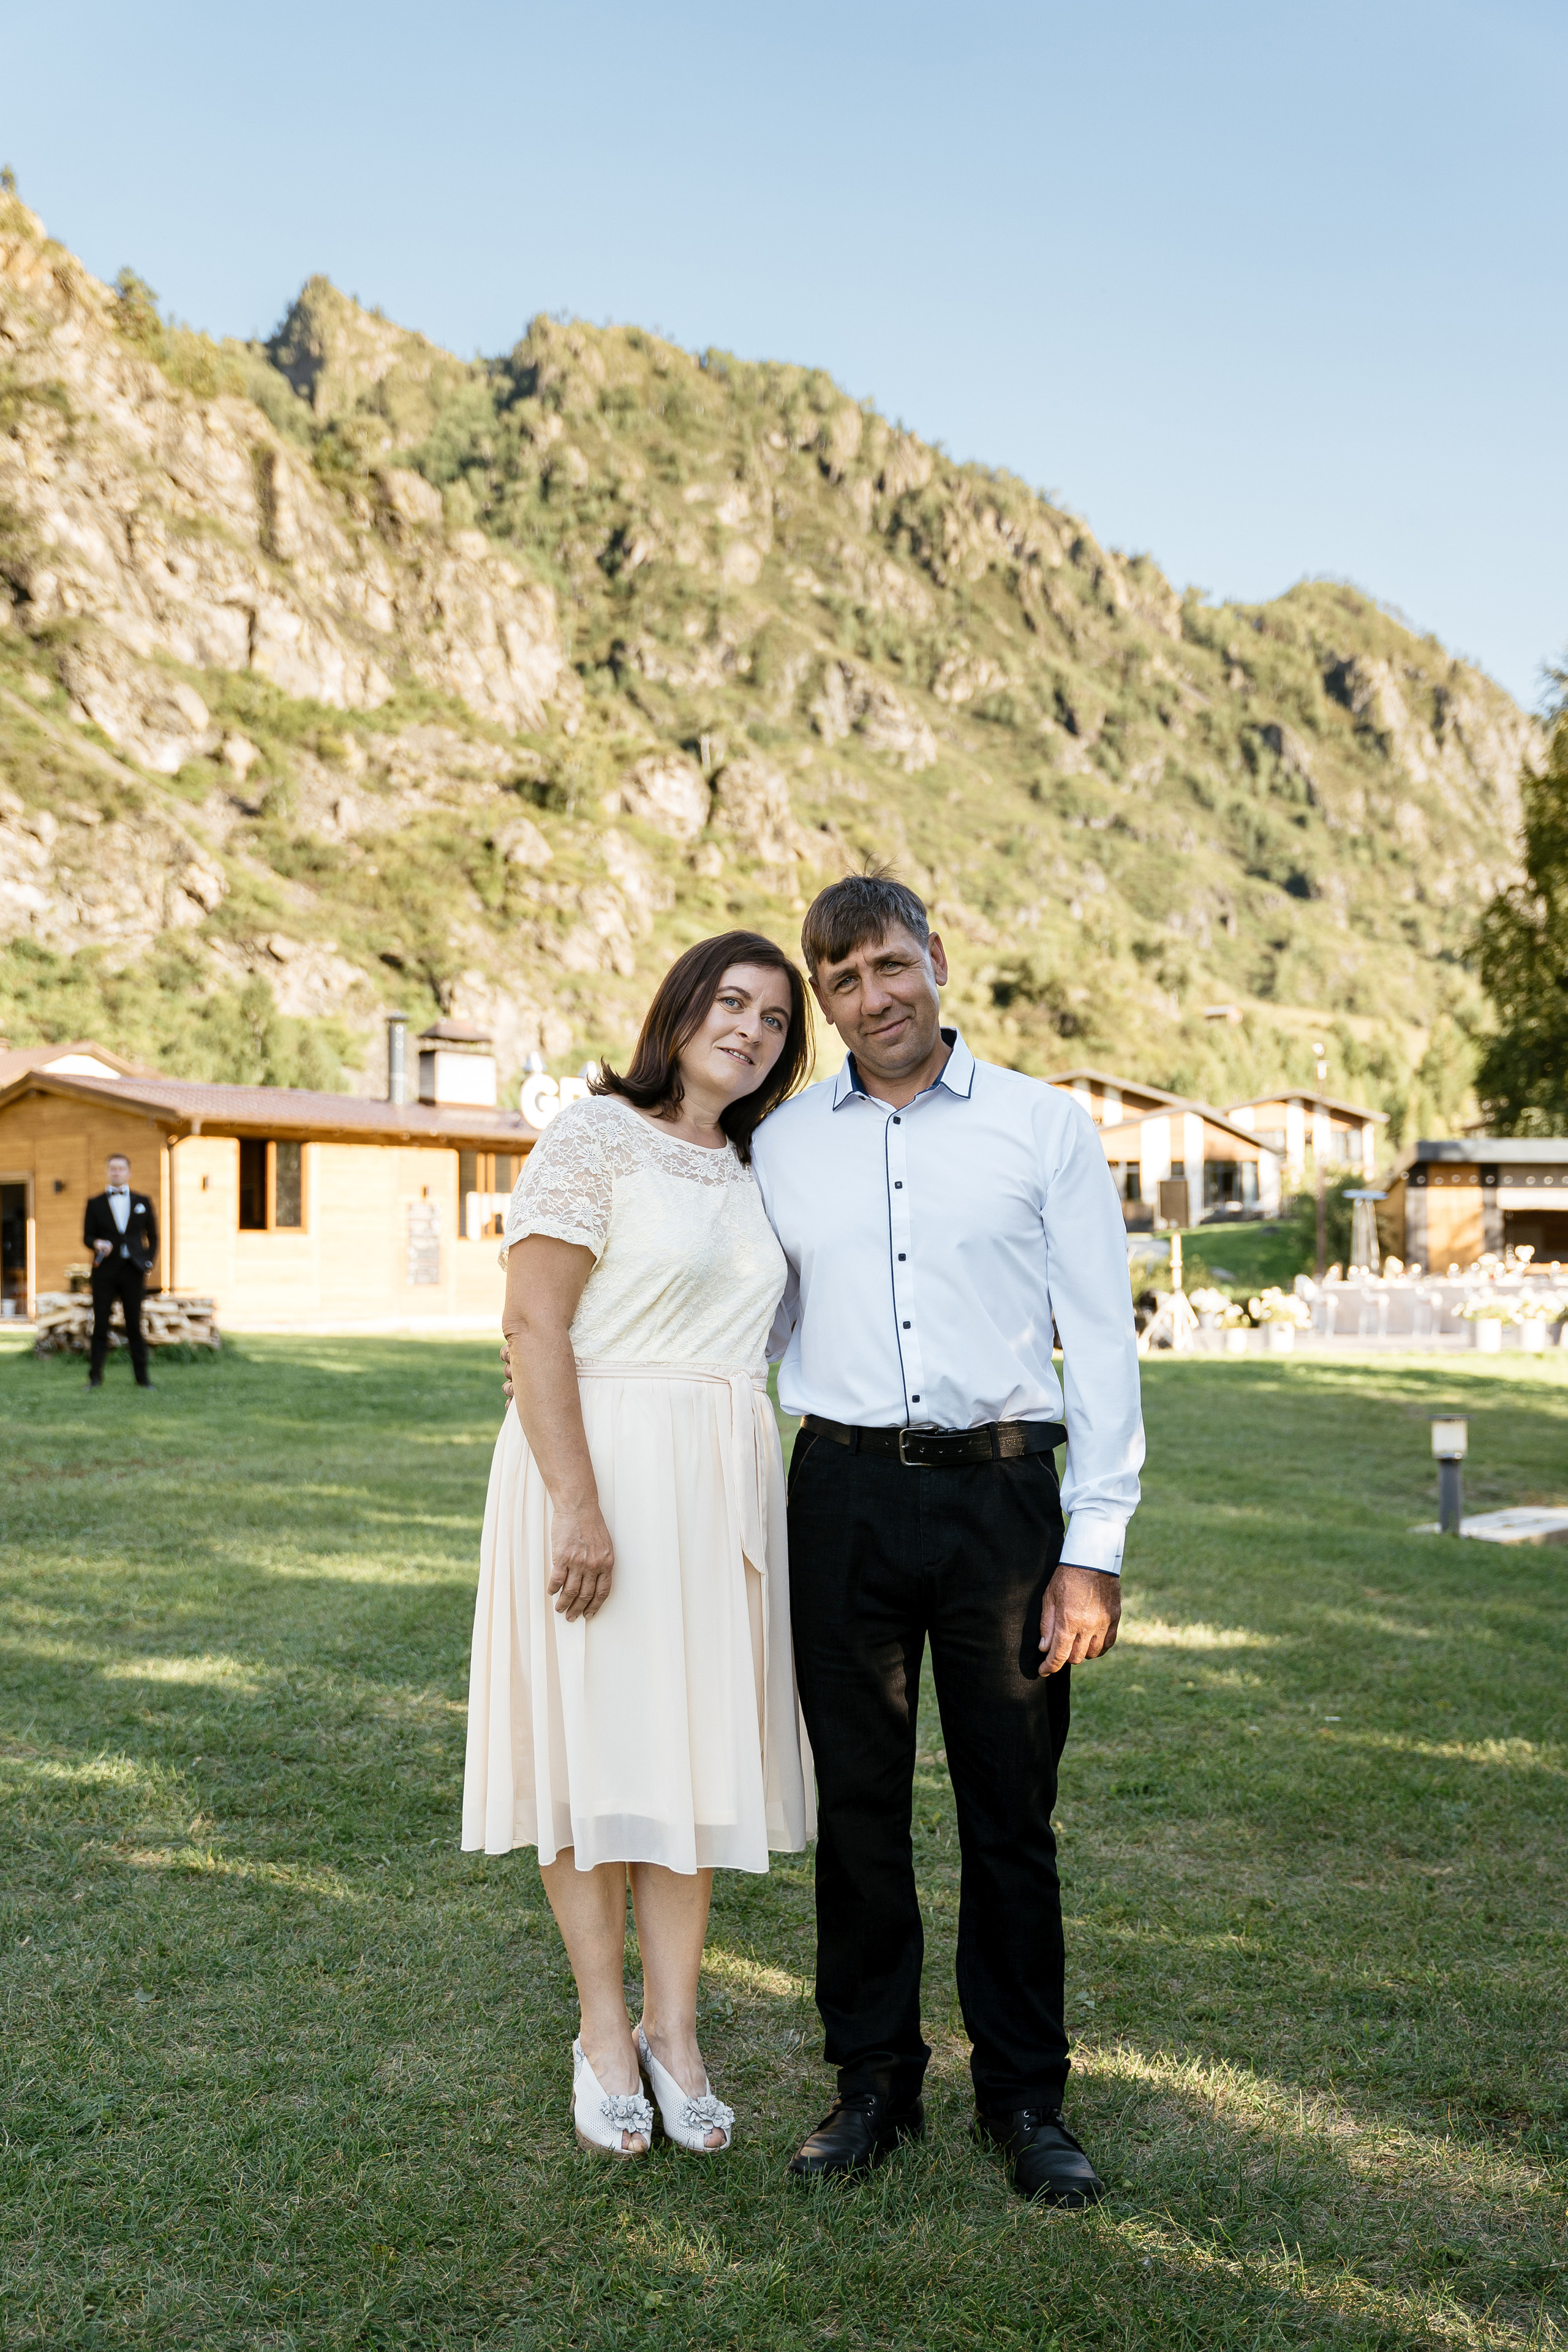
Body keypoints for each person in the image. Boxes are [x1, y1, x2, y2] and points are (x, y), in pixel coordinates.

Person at [750, 872, 1143, 2207]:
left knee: (1008, 1813)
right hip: (840, 1495)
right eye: (841, 982)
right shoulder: (785, 1143)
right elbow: (744, 1319)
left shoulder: (1042, 1128)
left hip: (1002, 1508)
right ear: (825, 1001)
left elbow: (1096, 1335)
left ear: (933, 957)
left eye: (886, 966)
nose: (872, 999)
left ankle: (1024, 2098)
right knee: (855, 1809)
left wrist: (1090, 1544)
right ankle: (871, 2086)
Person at [465, 933, 815, 2160]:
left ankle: (677, 2034)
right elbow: (532, 1322)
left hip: (716, 1484)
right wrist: (576, 1503)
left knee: (688, 1759)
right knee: (596, 1753)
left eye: (774, 1018)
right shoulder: (590, 1135)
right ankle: (602, 2033)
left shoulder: (757, 1162)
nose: (750, 1029)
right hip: (599, 1467)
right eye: (730, 1001)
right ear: (677, 1008)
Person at [83, 1153, 158, 1390]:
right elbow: (87, 1236)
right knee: (101, 1325)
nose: (116, 1172)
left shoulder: (142, 1201)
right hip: (105, 1272)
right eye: (112, 1169)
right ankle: (95, 1378)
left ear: (128, 1173)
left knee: (135, 1325)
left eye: (121, 1169)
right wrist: (97, 1243)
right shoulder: (94, 1204)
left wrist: (147, 1263)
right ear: (108, 1172)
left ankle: (143, 1379)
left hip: (133, 1271)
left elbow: (154, 1237)